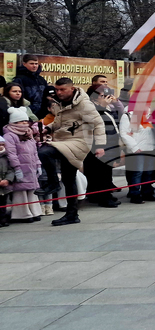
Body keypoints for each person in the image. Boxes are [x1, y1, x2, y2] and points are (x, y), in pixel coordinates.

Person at [37, 77, 107, 226]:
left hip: (79, 141)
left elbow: (98, 124)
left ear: (72, 89)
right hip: (64, 140)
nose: (59, 92)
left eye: (62, 89)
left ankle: (53, 182)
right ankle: (72, 214)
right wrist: (48, 128)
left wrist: (100, 145)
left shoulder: (84, 104)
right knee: (69, 178)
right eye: (57, 89)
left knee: (44, 152)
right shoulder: (59, 103)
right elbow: (60, 122)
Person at [84, 87, 121, 208]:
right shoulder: (90, 108)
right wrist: (102, 106)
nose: (106, 98)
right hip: (98, 146)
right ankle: (103, 197)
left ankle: (104, 195)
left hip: (109, 143)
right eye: (102, 96)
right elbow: (94, 124)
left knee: (106, 171)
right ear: (94, 98)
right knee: (99, 173)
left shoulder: (105, 108)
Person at [4, 107, 43, 222]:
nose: (25, 123)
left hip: (31, 166)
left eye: (26, 121)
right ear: (14, 122)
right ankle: (22, 214)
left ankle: (35, 211)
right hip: (19, 167)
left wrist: (38, 164)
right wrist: (17, 168)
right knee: (20, 192)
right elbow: (11, 153)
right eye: (22, 121)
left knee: (32, 190)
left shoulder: (29, 134)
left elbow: (34, 151)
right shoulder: (10, 135)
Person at [119, 106, 155, 204]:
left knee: (148, 172)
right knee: (137, 172)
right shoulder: (128, 116)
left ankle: (147, 192)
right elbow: (124, 134)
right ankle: (135, 194)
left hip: (150, 148)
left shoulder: (149, 116)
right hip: (137, 149)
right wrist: (135, 147)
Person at [11, 55, 47, 119]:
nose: (34, 66)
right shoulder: (19, 79)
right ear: (24, 64)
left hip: (42, 112)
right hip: (26, 112)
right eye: (31, 63)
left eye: (36, 64)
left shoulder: (41, 79)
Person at [0, 139, 16, 226]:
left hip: (4, 186)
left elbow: (10, 170)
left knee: (3, 202)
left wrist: (7, 179)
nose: (1, 146)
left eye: (2, 144)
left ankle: (2, 218)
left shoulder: (6, 157)